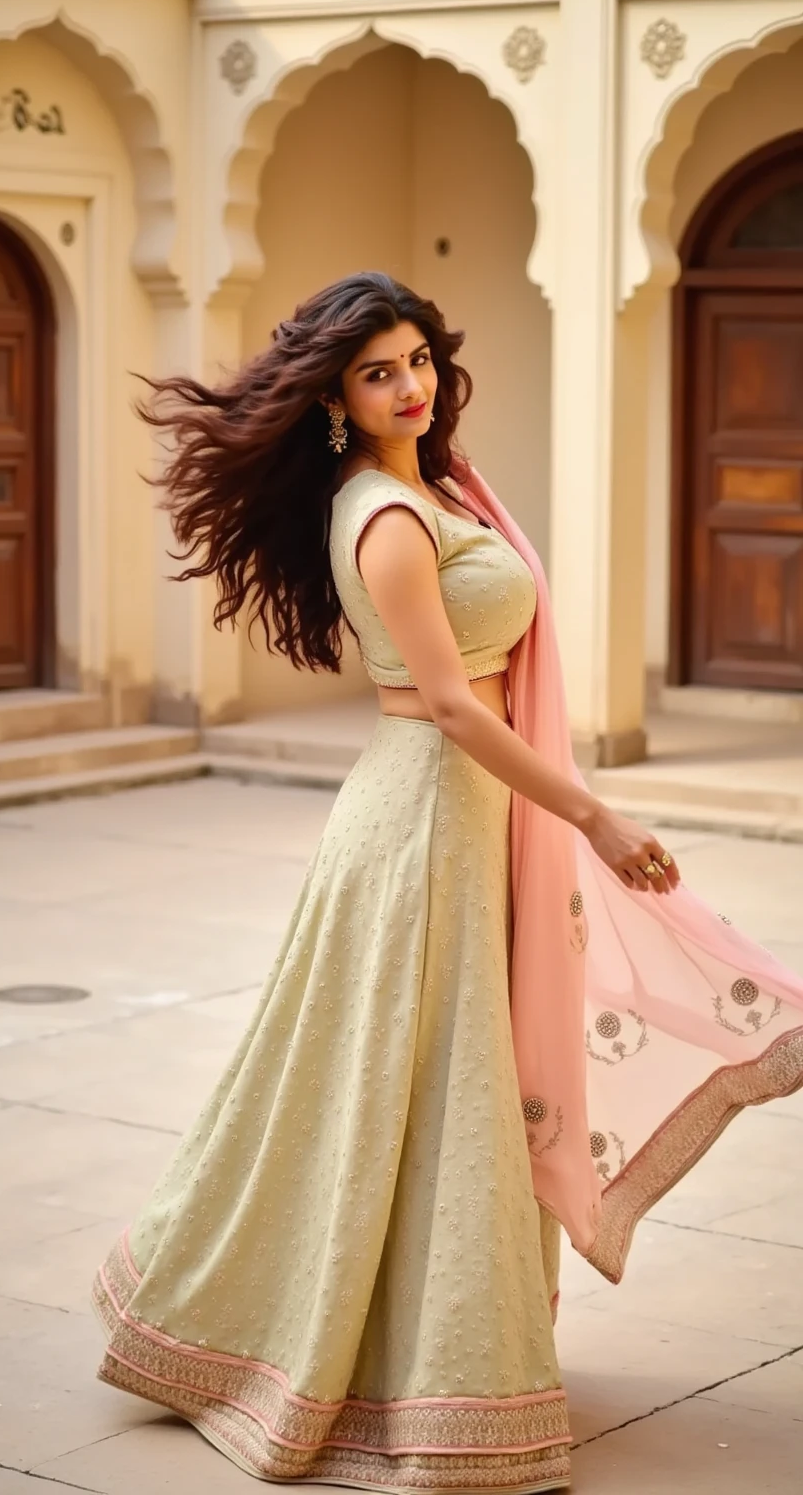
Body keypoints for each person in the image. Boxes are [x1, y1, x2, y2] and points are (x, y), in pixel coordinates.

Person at [93, 272, 803, 1494]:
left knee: (448, 1088)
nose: (409, 386)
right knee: (413, 1089)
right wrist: (596, 815)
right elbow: (448, 709)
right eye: (378, 372)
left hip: (466, 817)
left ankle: (426, 1341)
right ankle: (364, 1360)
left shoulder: (441, 489)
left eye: (418, 358)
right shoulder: (385, 518)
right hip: (425, 813)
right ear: (334, 397)